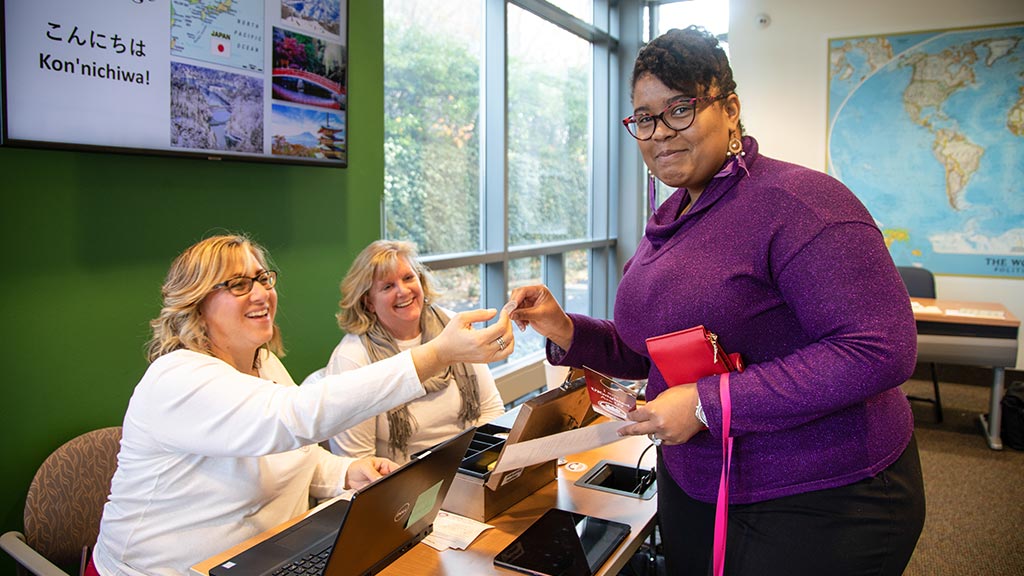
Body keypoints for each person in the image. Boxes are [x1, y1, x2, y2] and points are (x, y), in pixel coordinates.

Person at [509, 26, 924, 576]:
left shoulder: (800, 203)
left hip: (821, 496)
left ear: (729, 109)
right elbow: (652, 352)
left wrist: (708, 403)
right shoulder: (674, 216)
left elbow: (880, 349)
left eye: (680, 109)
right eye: (644, 118)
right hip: (699, 481)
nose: (659, 133)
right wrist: (565, 329)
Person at [91, 234, 513, 576]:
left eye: (263, 279)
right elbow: (290, 419)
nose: (260, 294)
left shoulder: (264, 363)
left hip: (267, 557)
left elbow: (298, 455)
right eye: (238, 285)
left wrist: (346, 470)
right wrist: (434, 355)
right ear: (197, 302)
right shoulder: (177, 379)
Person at [325, 240, 505, 464]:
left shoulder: (451, 326)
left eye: (408, 278)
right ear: (368, 302)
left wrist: (473, 466)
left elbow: (491, 409)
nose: (403, 291)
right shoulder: (352, 358)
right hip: (404, 486)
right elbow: (357, 461)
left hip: (470, 466)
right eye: (387, 286)